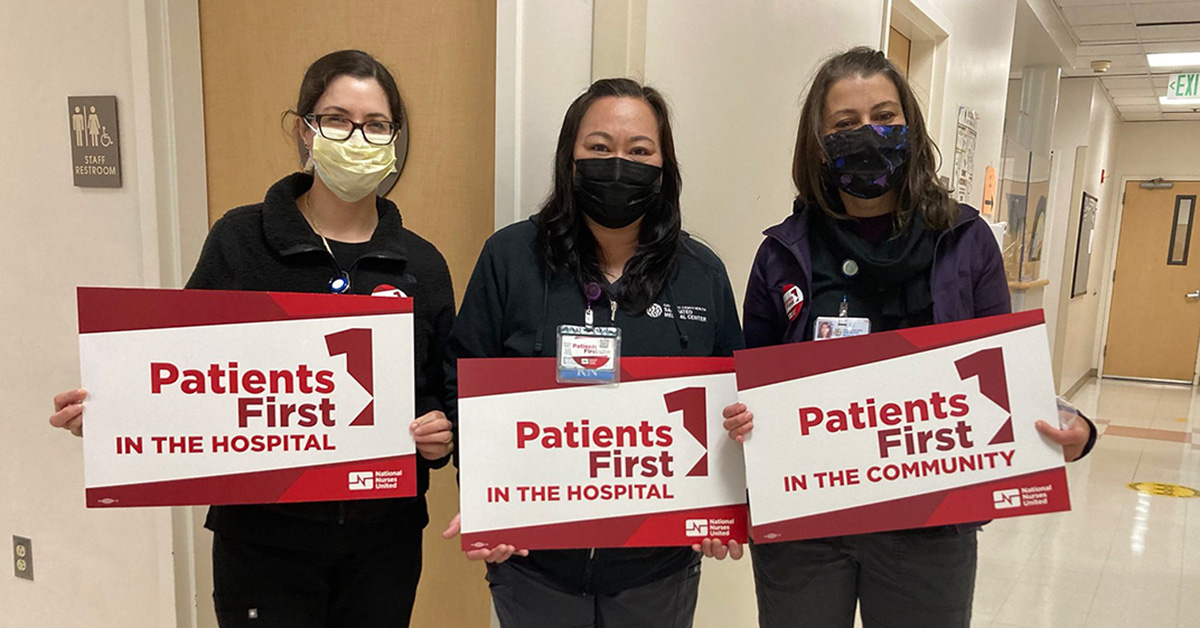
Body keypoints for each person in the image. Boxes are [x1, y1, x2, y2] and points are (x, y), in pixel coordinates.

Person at [49, 50, 455, 628]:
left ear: (394, 139)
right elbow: (183, 370)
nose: (358, 137)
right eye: (337, 119)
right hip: (264, 545)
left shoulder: (424, 264)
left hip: (381, 544)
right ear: (304, 130)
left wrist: (439, 435)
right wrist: (114, 415)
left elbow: (440, 391)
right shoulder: (240, 240)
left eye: (377, 125)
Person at [721, 47, 1097, 628]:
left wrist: (1072, 423)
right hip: (807, 522)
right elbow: (748, 387)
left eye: (885, 117)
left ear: (911, 127)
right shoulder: (783, 253)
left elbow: (1006, 370)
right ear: (817, 141)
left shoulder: (966, 240)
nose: (868, 134)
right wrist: (742, 419)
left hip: (931, 524)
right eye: (845, 124)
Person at [441, 77, 744, 627]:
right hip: (534, 564)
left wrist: (725, 506)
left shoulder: (702, 274)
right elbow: (463, 381)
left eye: (639, 151)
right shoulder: (509, 257)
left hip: (657, 569)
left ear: (663, 166)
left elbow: (735, 400)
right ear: (570, 160)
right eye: (600, 148)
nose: (619, 163)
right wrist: (486, 499)